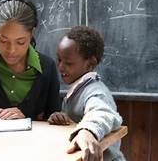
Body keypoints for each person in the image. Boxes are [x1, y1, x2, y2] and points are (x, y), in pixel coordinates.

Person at [48, 26, 125, 161]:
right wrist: (63, 118)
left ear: (90, 63)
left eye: (68, 63)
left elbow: (101, 113)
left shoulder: (96, 92)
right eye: (59, 60)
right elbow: (78, 118)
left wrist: (88, 131)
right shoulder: (77, 89)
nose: (60, 67)